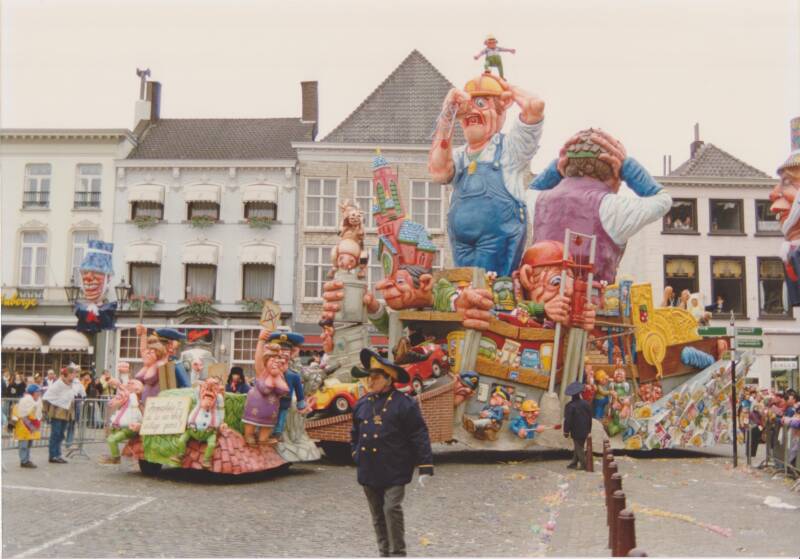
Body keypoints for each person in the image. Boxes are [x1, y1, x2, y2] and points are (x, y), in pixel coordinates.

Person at [429, 73, 544, 276]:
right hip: (461, 244)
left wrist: (507, 88)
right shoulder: (459, 156)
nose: (472, 111)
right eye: (468, 106)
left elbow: (534, 105)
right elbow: (439, 172)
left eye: (481, 103)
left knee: (491, 288)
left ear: (500, 110)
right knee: (465, 286)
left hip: (498, 242)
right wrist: (447, 116)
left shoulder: (510, 149)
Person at [530, 129, 672, 284]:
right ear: (614, 171)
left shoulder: (537, 201)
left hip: (538, 295)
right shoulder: (612, 207)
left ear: (566, 165)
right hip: (592, 297)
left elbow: (527, 192)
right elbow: (663, 200)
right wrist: (627, 166)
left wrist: (555, 170)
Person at [350, 348, 433, 558]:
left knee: (391, 508)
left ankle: (398, 553)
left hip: (395, 467)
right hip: (368, 468)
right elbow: (354, 432)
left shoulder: (404, 404)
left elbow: (419, 434)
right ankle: (384, 553)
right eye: (369, 377)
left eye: (376, 378)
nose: (370, 382)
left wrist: (425, 466)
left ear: (389, 379)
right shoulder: (362, 404)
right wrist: (355, 453)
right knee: (377, 514)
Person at [42, 365, 79, 463]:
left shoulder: (72, 384)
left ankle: (58, 454)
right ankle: (53, 455)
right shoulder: (58, 384)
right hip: (57, 413)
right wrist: (45, 411)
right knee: (56, 434)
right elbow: (47, 396)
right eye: (73, 374)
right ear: (68, 374)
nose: (74, 376)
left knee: (61, 434)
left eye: (75, 374)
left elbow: (75, 394)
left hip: (66, 413)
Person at [12, 384, 43, 468]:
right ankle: (24, 461)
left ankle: (27, 459)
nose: (39, 393)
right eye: (37, 392)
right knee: (23, 445)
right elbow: (17, 411)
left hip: (31, 426)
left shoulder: (38, 401)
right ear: (32, 392)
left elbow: (38, 413)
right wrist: (13, 422)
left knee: (29, 444)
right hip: (23, 426)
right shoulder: (24, 401)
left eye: (39, 392)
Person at [564, 381, 593, 470]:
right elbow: (590, 418)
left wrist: (566, 431)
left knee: (579, 447)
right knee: (579, 446)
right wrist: (589, 430)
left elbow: (568, 420)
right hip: (585, 429)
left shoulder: (569, 406)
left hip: (575, 430)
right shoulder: (586, 404)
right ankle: (574, 463)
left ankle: (584, 465)